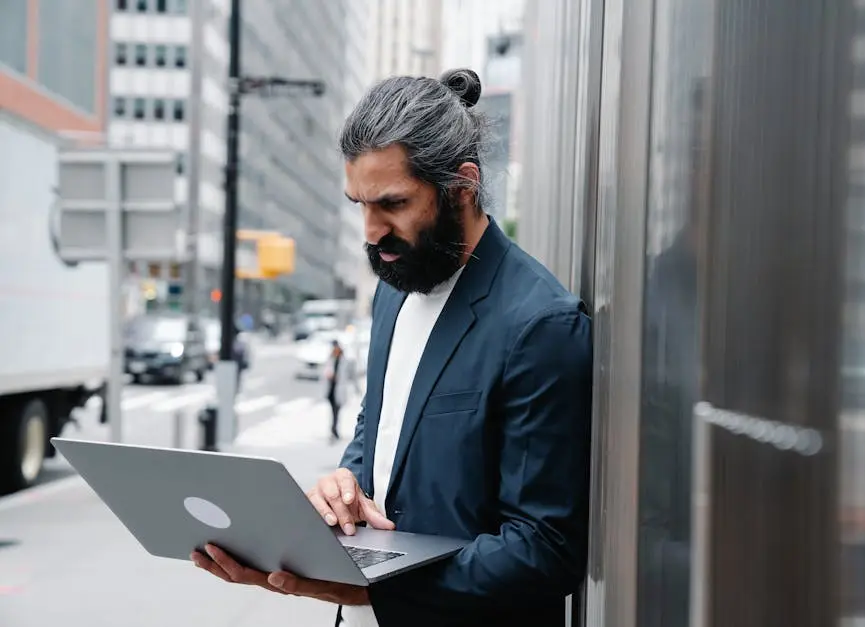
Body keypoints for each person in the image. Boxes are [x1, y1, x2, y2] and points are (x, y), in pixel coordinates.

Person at [191, 68, 593, 627]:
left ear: (463, 184)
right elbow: (379, 429)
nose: (371, 230)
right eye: (359, 203)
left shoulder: (539, 324)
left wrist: (370, 593)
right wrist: (346, 483)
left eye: (393, 203)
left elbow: (543, 549)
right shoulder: (394, 287)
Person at [326, 339, 345, 442]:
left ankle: (334, 430)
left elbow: (351, 376)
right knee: (333, 411)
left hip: (339, 390)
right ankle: (334, 430)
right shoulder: (331, 358)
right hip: (331, 390)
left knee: (337, 411)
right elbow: (325, 372)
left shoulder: (344, 360)